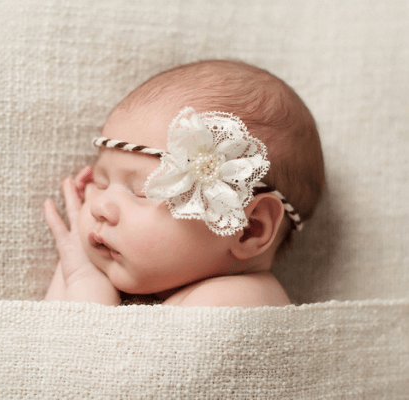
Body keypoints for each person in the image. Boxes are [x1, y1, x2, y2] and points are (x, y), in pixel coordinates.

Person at [43, 59, 325, 307]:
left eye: (142, 191)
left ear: (249, 228)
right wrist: (79, 268)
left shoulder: (238, 299)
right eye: (101, 182)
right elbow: (42, 353)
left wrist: (84, 283)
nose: (100, 206)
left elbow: (88, 358)